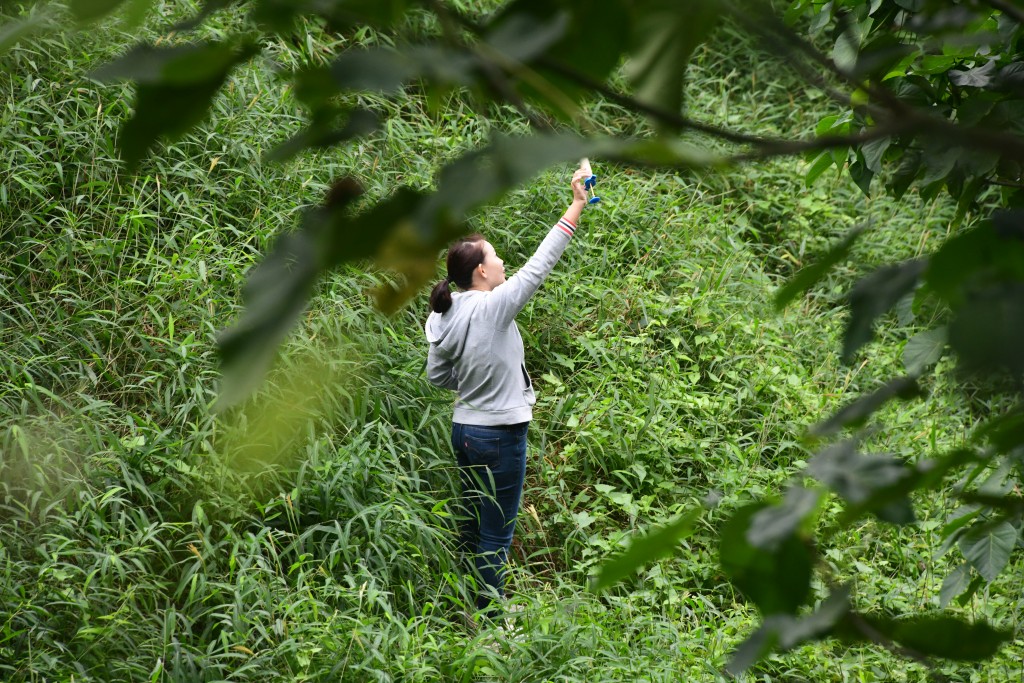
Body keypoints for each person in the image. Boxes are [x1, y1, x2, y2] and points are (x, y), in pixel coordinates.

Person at [424, 166, 589, 615]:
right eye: (495, 257)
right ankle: (490, 621)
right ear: (481, 271)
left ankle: (461, 601)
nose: (502, 263)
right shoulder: (493, 307)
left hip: (464, 431)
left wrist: (474, 384)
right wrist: (576, 204)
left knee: (474, 524)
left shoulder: (442, 314)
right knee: (497, 533)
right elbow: (539, 266)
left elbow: (438, 378)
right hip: (500, 435)